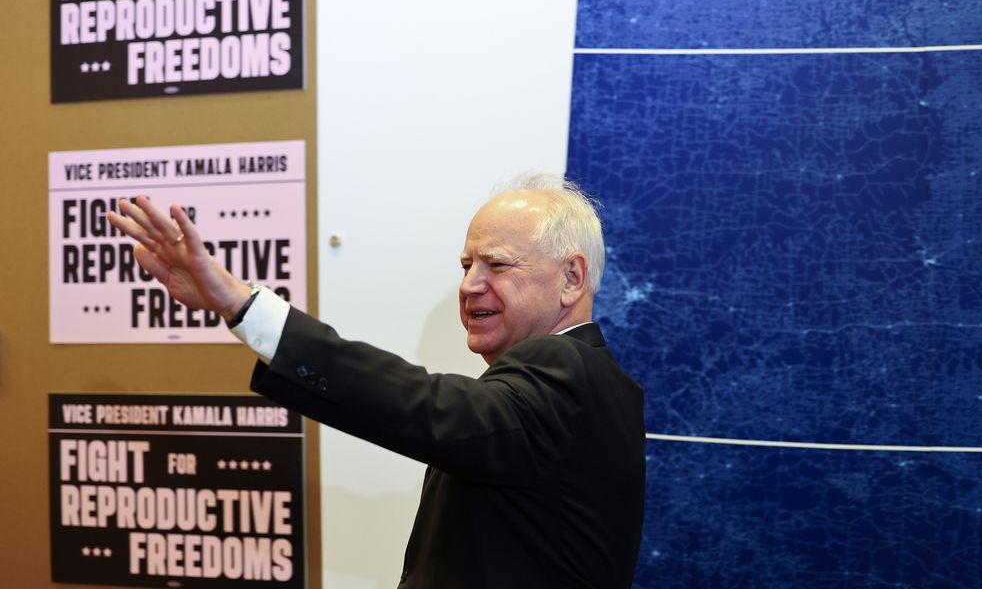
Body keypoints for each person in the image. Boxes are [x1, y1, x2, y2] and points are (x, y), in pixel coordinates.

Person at [108, 174, 645, 588]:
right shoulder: (569, 389)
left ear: (572, 278)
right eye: (465, 265)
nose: (470, 284)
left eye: (497, 264)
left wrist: (240, 304)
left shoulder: (567, 371)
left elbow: (422, 405)